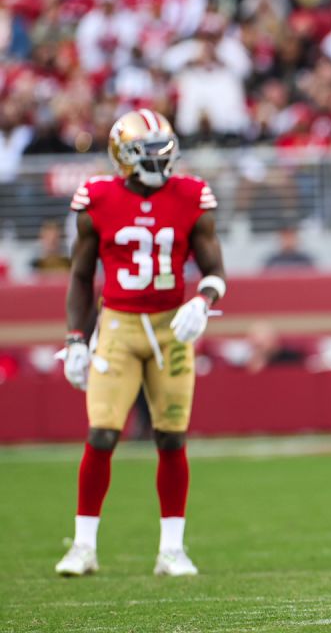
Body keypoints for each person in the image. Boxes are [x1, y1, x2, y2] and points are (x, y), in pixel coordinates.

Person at [55, 109, 226, 578]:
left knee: (171, 438)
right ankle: (84, 546)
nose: (163, 158)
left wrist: (204, 299)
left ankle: (171, 549)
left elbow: (215, 269)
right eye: (151, 151)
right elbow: (81, 275)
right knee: (102, 432)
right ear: (124, 156)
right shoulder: (98, 197)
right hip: (119, 326)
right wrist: (75, 338)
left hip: (173, 326)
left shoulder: (191, 195)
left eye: (165, 147)